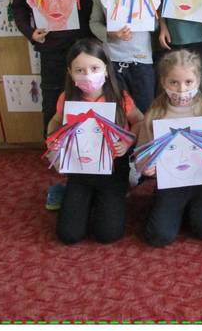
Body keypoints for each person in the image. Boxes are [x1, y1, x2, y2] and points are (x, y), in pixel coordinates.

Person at [12, 0, 94, 210]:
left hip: (81, 48)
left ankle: (87, 149)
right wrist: (30, 33)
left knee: (85, 99)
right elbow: (18, 8)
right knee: (52, 101)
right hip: (50, 49)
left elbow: (93, 10)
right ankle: (55, 152)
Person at [46, 38, 143, 244]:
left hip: (113, 169)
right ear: (70, 73)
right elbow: (55, 121)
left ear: (106, 69)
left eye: (94, 68)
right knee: (69, 235)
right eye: (80, 70)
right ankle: (73, 195)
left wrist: (127, 142)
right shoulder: (67, 97)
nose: (88, 75)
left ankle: (110, 195)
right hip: (80, 170)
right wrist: (52, 139)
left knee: (108, 234)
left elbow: (139, 121)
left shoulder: (120, 97)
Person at [137, 49, 202, 247]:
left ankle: (191, 209)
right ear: (163, 82)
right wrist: (147, 166)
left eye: (188, 82)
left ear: (198, 80)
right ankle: (172, 207)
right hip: (171, 182)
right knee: (158, 236)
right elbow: (142, 151)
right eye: (174, 82)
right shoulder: (155, 113)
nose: (181, 89)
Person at [90, 0, 155, 113]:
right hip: (113, 59)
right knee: (118, 109)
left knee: (145, 109)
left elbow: (155, 24)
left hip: (142, 59)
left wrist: (151, 12)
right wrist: (110, 34)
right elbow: (94, 22)